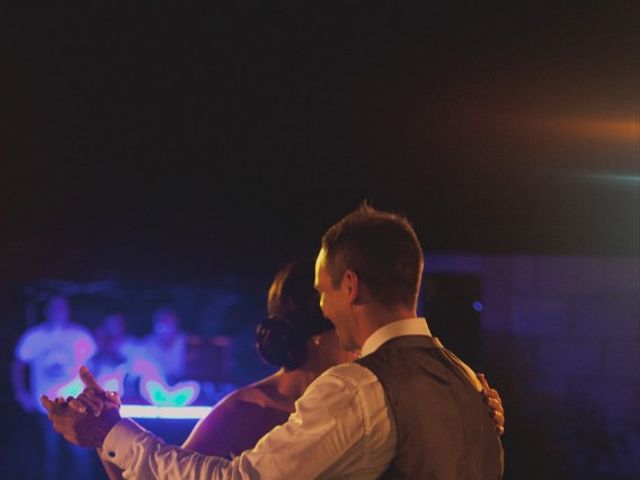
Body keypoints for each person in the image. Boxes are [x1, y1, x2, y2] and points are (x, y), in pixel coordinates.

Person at [44, 205, 505, 478]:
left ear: (350, 286)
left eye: (324, 291)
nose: (324, 306)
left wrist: (111, 433)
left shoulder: (356, 389)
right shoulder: (465, 382)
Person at [12, 294, 96, 480]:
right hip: (46, 407)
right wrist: (20, 393)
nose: (59, 312)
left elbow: (92, 368)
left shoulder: (80, 335)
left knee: (81, 455)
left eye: (62, 307)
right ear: (46, 311)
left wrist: (92, 396)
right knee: (50, 455)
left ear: (68, 310)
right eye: (54, 307)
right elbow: (18, 365)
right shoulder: (34, 337)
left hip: (76, 406)